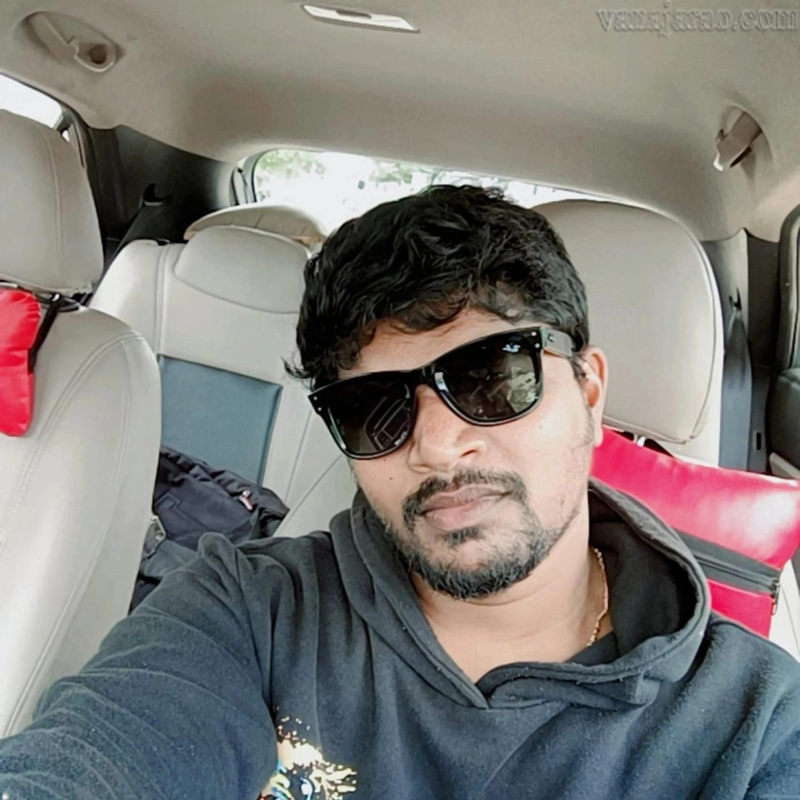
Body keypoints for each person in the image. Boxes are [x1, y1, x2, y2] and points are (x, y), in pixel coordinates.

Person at [1, 186, 798, 799]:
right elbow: (96, 755)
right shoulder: (249, 612)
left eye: (491, 378)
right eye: (373, 408)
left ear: (589, 394)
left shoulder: (755, 727)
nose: (437, 445)